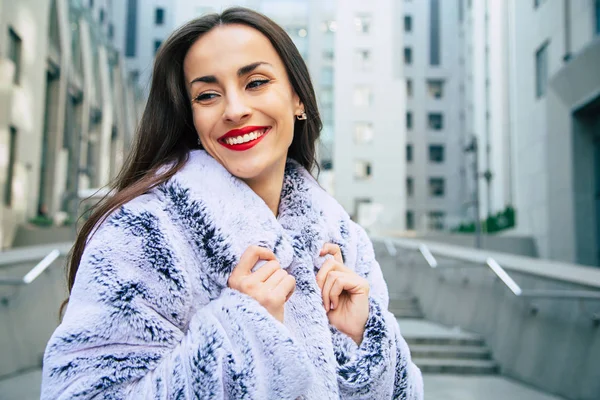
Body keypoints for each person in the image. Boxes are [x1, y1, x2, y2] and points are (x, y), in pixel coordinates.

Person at [41, 7, 423, 399]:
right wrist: (240, 331)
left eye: (256, 82)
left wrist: (365, 337)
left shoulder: (342, 238)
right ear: (192, 117)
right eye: (207, 95)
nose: (235, 110)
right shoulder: (142, 232)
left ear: (297, 99)